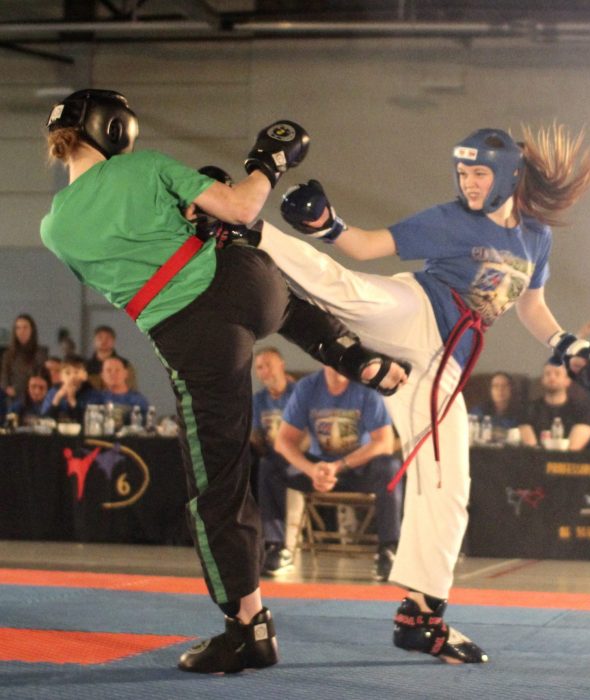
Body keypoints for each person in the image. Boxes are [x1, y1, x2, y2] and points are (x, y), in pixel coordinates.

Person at [41, 88, 409, 675]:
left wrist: (185, 222)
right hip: (249, 281)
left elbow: (129, 261)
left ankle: (248, 629)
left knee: (217, 481)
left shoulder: (54, 229)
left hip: (192, 333)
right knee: (264, 278)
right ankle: (354, 356)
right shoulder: (144, 166)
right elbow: (242, 208)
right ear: (115, 129)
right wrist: (269, 161)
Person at [239, 124, 590, 664]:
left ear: (508, 175)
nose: (468, 183)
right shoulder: (451, 219)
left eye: (479, 173)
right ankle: (245, 227)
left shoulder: (536, 236)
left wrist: (570, 347)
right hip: (413, 313)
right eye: (462, 172)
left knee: (448, 485)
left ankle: (421, 616)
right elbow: (367, 245)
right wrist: (327, 224)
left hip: (440, 367)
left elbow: (532, 305)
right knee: (346, 287)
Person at [266, 365, 403, 581]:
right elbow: (283, 441)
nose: (337, 364)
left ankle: (389, 549)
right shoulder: (308, 387)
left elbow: (384, 442)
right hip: (317, 469)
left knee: (390, 467)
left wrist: (338, 466)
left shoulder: (366, 389)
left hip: (355, 468)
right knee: (270, 465)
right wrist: (311, 469)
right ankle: (276, 547)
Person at [251, 346, 301, 570]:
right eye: (259, 368)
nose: (264, 372)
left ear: (281, 365)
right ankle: (270, 541)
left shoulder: (298, 393)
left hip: (300, 455)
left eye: (268, 365)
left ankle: (279, 541)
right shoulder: (259, 399)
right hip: (271, 456)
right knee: (261, 465)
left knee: (272, 469)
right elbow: (256, 433)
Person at [518, 361, 590, 451]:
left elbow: (573, 449)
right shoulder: (529, 409)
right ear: (542, 380)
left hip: (570, 459)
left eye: (557, 374)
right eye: (547, 374)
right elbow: (531, 448)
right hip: (536, 459)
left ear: (567, 381)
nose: (552, 377)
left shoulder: (581, 410)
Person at [0, 313, 48, 404]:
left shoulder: (40, 353)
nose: (21, 331)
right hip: (11, 397)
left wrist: (18, 390)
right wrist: (7, 388)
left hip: (31, 397)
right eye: (18, 328)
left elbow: (39, 377)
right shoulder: (8, 354)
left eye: (25, 328)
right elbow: (4, 376)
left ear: (32, 330)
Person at [40, 355, 102, 424]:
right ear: (61, 376)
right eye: (67, 373)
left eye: (76, 372)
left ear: (84, 375)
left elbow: (91, 422)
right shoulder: (53, 392)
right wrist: (56, 400)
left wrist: (72, 401)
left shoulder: (93, 394)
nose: (72, 377)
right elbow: (43, 422)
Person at [470, 371, 523, 444]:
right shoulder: (479, 411)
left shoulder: (521, 412)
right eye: (495, 386)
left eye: (505, 386)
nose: (500, 389)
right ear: (490, 391)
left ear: (512, 389)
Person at [98, 356, 149, 430]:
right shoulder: (96, 398)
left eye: (117, 370)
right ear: (102, 375)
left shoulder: (138, 401)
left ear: (125, 373)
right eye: (108, 370)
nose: (113, 374)